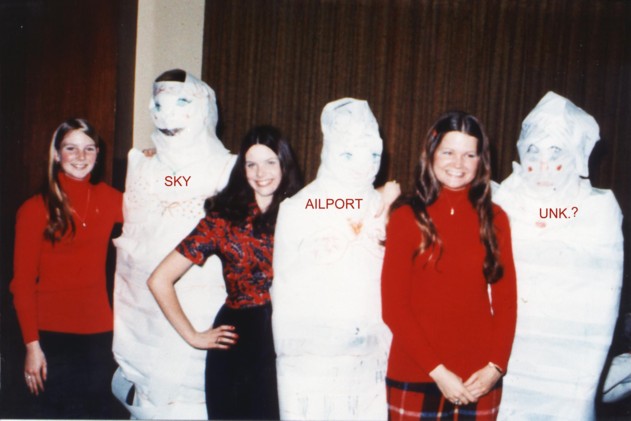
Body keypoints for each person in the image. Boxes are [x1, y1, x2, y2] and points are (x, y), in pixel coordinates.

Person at [148, 125, 302, 420]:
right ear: (242, 169)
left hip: (287, 338)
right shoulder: (223, 218)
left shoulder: (303, 210)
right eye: (251, 164)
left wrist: (381, 197)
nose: (260, 172)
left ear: (284, 163)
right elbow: (159, 279)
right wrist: (193, 336)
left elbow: (346, 204)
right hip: (237, 340)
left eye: (270, 162)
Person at [111, 69, 236, 419]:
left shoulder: (228, 167)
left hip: (196, 310)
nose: (168, 117)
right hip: (139, 315)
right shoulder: (141, 163)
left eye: (181, 104)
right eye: (160, 106)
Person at [494, 91, 624, 420]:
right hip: (513, 351)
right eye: (534, 150)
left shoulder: (596, 207)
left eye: (556, 151)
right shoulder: (505, 198)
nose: (543, 163)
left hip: (571, 358)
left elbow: (605, 299)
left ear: (576, 154)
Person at [381, 111, 517, 420]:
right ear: (431, 153)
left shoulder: (496, 218)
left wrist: (496, 367)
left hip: (478, 380)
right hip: (415, 372)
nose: (459, 163)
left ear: (481, 160)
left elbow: (506, 302)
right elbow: (394, 308)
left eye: (470, 154)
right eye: (448, 152)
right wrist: (438, 372)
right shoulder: (405, 216)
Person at [271, 97, 399, 420]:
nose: (362, 165)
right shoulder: (300, 207)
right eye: (349, 154)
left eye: (372, 154)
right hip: (312, 364)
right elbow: (284, 289)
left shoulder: (382, 206)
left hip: (371, 360)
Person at [10, 118, 123, 418]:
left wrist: (159, 167)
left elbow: (158, 200)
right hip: (50, 336)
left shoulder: (109, 199)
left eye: (89, 148)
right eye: (71, 148)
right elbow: (22, 284)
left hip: (100, 334)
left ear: (98, 154)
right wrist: (32, 347)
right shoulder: (34, 209)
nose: (81, 156)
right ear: (57, 154)